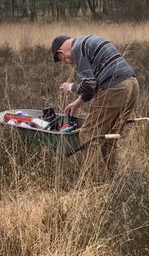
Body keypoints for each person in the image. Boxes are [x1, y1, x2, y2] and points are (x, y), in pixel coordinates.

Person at [52, 33, 139, 168]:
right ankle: (112, 179)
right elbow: (95, 85)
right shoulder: (87, 42)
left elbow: (89, 84)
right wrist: (78, 102)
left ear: (61, 52)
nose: (67, 62)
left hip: (115, 87)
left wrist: (70, 87)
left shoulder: (77, 49)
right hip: (132, 84)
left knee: (88, 134)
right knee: (110, 137)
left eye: (63, 59)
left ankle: (91, 181)